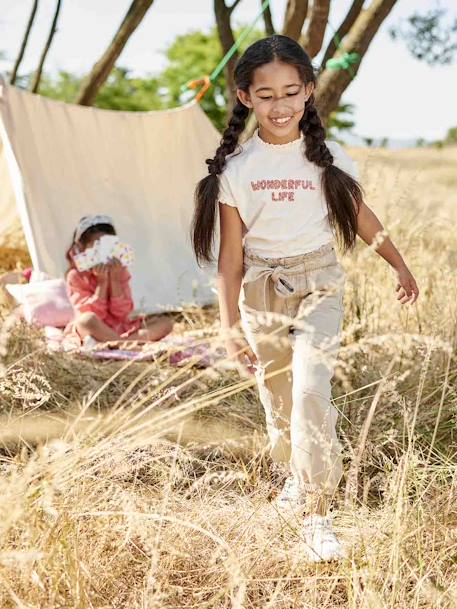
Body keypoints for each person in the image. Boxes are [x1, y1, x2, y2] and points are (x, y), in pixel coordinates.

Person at [191, 35, 419, 562]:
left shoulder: (329, 157)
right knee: (280, 400)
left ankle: (317, 512)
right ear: (246, 97)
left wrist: (400, 264)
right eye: (266, 94)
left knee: (311, 390)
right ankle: (294, 476)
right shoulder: (236, 170)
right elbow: (230, 258)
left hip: (320, 283)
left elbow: (362, 216)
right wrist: (228, 326)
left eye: (292, 92)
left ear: (310, 92)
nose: (281, 105)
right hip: (260, 292)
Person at [65, 214, 172, 346]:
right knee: (86, 320)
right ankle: (127, 345)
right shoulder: (76, 276)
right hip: (94, 328)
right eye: (95, 247)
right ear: (83, 248)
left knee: (165, 323)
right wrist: (102, 284)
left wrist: (115, 281)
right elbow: (93, 314)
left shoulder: (119, 270)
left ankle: (121, 344)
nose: (102, 252)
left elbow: (123, 313)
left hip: (120, 328)